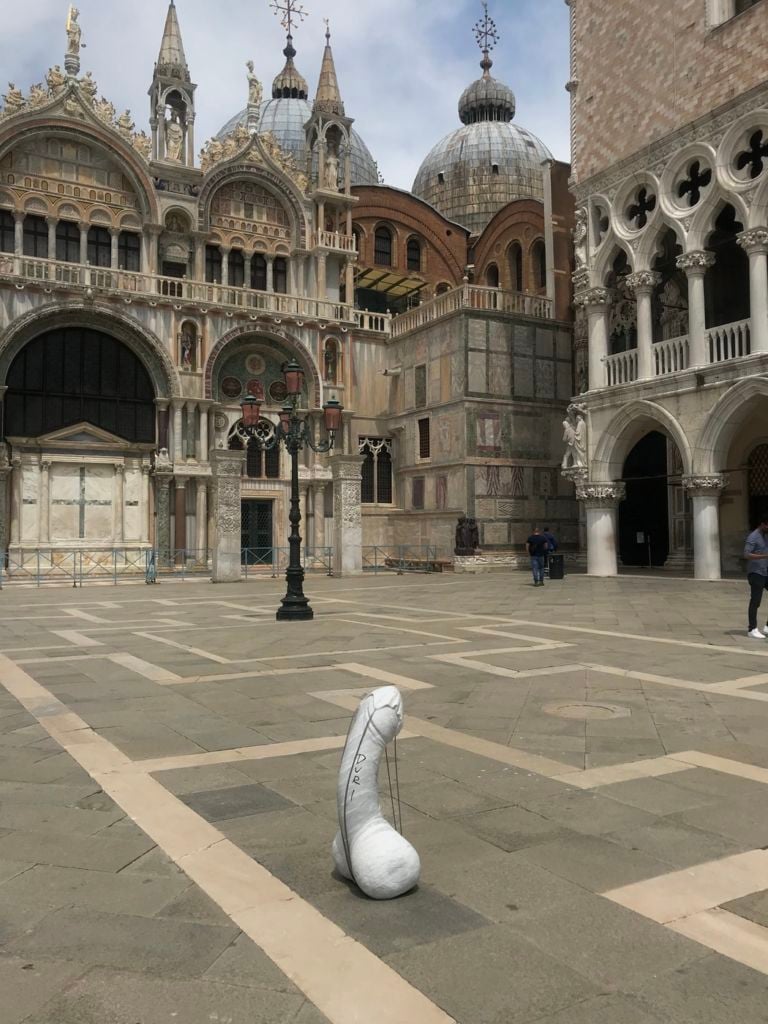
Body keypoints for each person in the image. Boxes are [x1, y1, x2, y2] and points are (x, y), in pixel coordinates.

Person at [745, 514, 768, 638]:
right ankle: (752, 629)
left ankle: (767, 627)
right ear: (763, 524)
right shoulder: (753, 537)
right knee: (755, 601)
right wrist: (764, 556)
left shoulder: (765, 536)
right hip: (755, 573)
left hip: (765, 572)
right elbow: (747, 554)